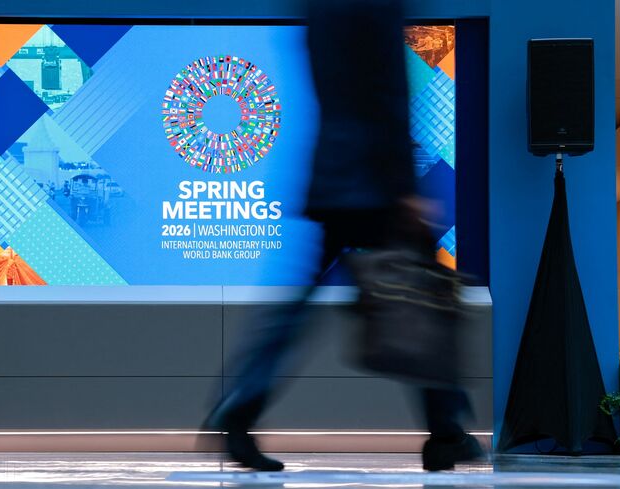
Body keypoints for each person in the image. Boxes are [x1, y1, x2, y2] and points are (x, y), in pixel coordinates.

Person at [201, 0, 483, 472]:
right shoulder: (373, 4)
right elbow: (387, 93)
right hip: (373, 179)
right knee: (425, 298)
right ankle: (446, 431)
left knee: (299, 306)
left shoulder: (321, 7)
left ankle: (241, 407)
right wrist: (405, 188)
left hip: (333, 172)